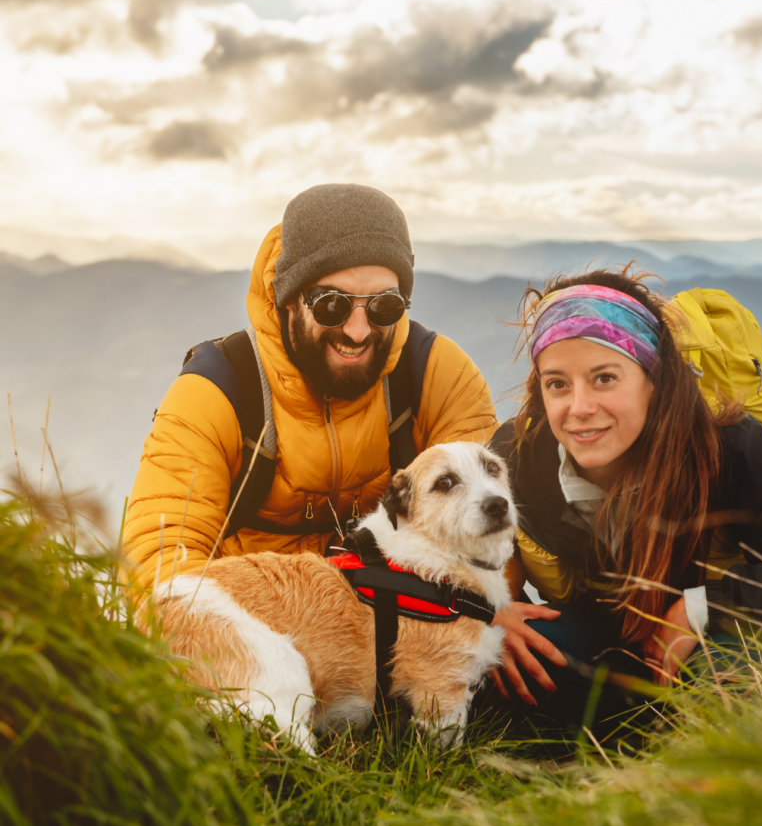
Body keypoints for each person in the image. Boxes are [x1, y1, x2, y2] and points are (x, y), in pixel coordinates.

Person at [124, 184, 498, 588]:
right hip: (249, 625)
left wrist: (484, 609)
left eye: (383, 306)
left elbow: (491, 527)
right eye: (332, 305)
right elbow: (158, 567)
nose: (358, 332)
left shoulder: (436, 373)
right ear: (287, 298)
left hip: (409, 621)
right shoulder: (218, 391)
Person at [490, 269, 762, 719]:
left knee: (730, 677)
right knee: (506, 662)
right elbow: (448, 556)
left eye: (605, 378)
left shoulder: (731, 448)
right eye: (558, 384)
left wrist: (701, 609)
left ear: (655, 380)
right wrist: (489, 611)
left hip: (710, 641)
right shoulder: (516, 457)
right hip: (600, 637)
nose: (580, 408)